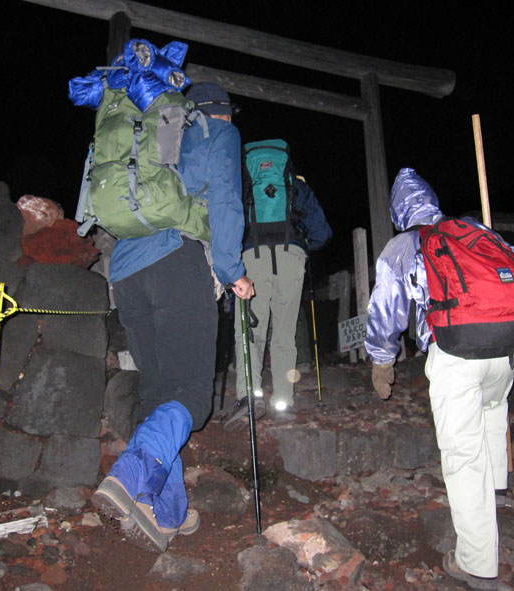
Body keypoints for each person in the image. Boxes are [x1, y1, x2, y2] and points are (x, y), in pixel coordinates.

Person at [92, 82, 254, 553]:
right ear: (220, 111)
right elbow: (223, 201)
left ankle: (163, 510)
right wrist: (232, 271)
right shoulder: (217, 133)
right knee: (191, 395)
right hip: (179, 262)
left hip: (126, 271)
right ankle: (133, 471)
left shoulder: (147, 136)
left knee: (158, 390)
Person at [365, 168, 514, 591]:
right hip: (507, 346)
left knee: (463, 454)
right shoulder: (472, 230)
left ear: (400, 210)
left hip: (457, 350)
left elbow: (386, 311)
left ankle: (477, 563)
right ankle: (499, 493)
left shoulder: (402, 246)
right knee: (492, 411)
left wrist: (382, 361)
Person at [225, 174, 331, 430]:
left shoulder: (244, 187)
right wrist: (304, 244)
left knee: (250, 332)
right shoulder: (296, 186)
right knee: (284, 332)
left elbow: (226, 222)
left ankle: (249, 396)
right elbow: (322, 232)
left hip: (252, 258)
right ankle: (284, 403)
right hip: (290, 257)